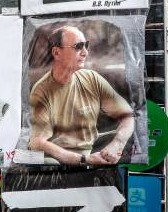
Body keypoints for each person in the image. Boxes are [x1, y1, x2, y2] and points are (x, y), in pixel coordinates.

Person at [28, 26, 135, 165]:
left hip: (92, 155)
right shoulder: (41, 90)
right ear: (56, 52)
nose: (85, 52)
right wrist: (85, 160)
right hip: (59, 164)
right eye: (78, 46)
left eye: (86, 45)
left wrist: (117, 144)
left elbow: (128, 116)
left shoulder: (91, 78)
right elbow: (38, 142)